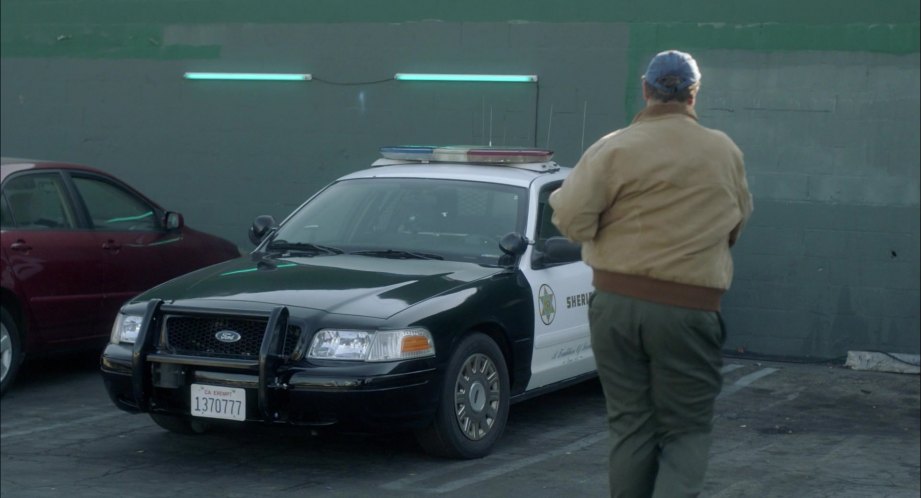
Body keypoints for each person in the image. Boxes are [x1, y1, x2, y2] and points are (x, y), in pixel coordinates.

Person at [549, 50, 753, 498]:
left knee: (630, 424)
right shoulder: (724, 151)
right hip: (690, 309)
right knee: (686, 429)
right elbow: (735, 225)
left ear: (646, 89)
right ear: (693, 95)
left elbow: (572, 219)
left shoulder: (614, 146)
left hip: (615, 305)